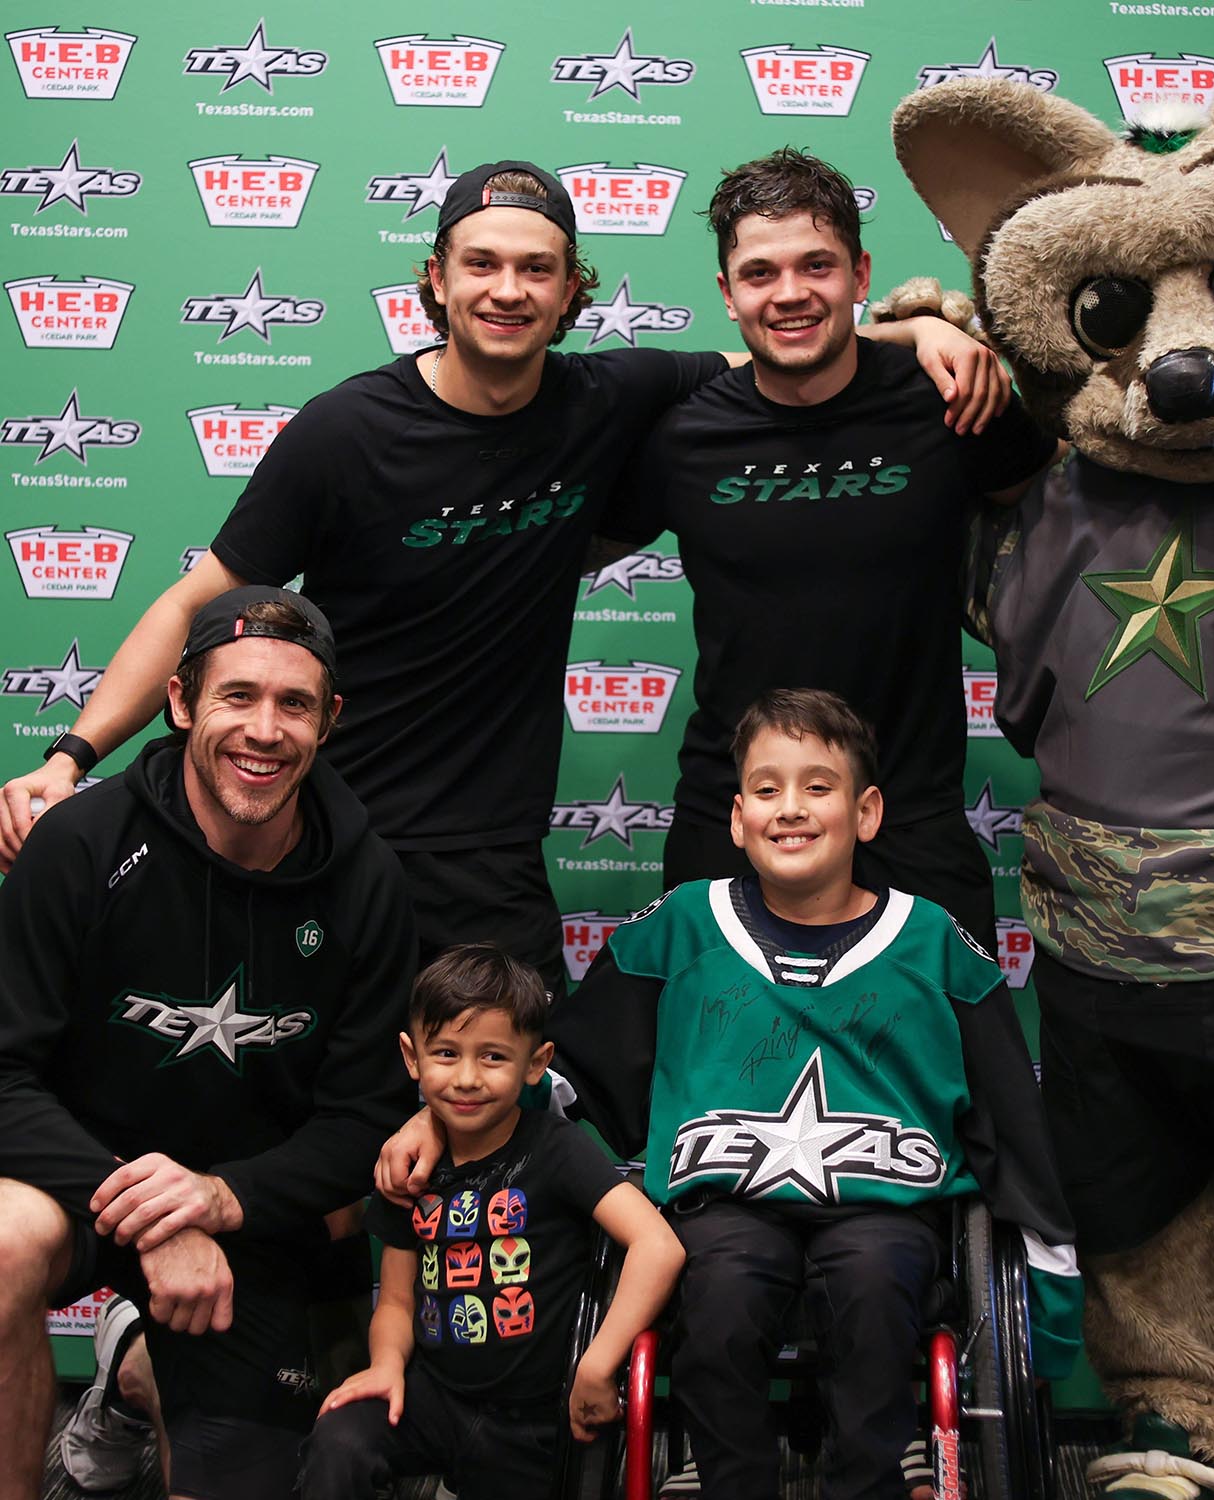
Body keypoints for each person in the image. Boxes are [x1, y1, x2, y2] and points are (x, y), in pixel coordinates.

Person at [0, 159, 1002, 999]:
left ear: (571, 292)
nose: (508, 290)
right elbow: (199, 601)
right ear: (435, 281)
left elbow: (790, 347)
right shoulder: (345, 432)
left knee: (518, 1120)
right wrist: (70, 754)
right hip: (323, 825)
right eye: (481, 264)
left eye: (536, 268)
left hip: (491, 857)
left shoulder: (617, 398)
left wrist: (918, 333)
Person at [383, 689, 1081, 1500]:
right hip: (723, 1206)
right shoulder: (681, 926)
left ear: (866, 813)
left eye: (818, 787)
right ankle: (724, 1476)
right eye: (767, 788)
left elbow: (1012, 1123)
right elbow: (563, 1072)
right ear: (739, 817)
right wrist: (440, 1121)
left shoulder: (933, 942)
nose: (792, 808)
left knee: (874, 1283)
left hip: (885, 1210)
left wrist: (1050, 1299)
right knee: (718, 1294)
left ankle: (878, 1474)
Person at [0, 585, 417, 1500]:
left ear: (329, 721)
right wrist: (154, 1215)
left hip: (246, 1221)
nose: (264, 730)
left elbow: (363, 1123)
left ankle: (136, 1370)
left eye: (294, 704)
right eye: (238, 696)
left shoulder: (369, 884)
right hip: (77, 1184)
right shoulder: (79, 845)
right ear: (182, 702)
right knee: (2, 1240)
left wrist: (220, 1199)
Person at [591, 149, 1061, 948]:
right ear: (727, 293)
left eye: (817, 265)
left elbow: (1078, 516)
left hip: (908, 817)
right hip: (734, 817)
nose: (790, 293)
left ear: (859, 273)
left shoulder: (950, 399)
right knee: (712, 1032)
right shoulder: (682, 434)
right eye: (760, 273)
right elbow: (554, 552)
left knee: (949, 1032)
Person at [299, 944, 683, 1500]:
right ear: (411, 1056)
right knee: (340, 1441)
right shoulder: (411, 1168)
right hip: (434, 1397)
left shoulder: (556, 1149)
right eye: (445, 1053)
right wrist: (385, 1365)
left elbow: (658, 1246)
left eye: (493, 1057)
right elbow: (398, 1302)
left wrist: (598, 1364)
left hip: (537, 1420)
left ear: (536, 1063)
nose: (467, 1078)